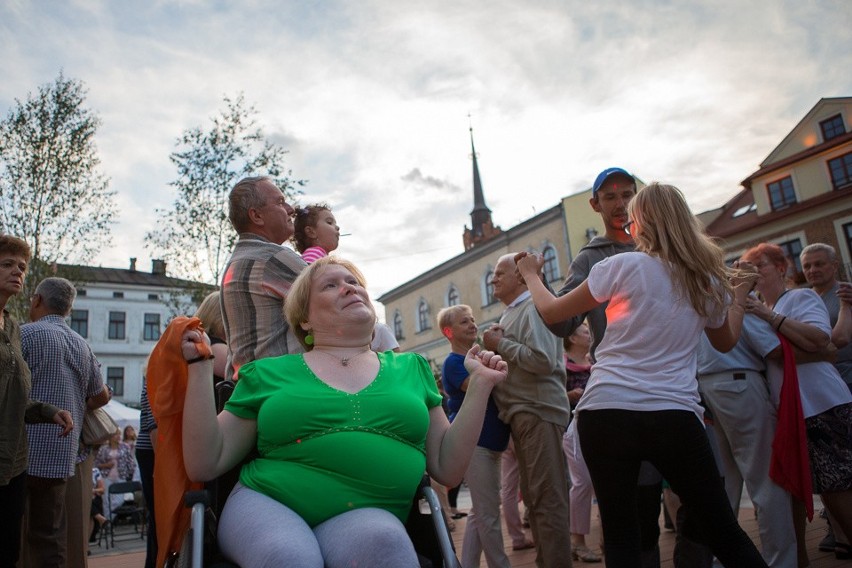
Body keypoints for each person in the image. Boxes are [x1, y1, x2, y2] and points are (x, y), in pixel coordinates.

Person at [181, 256, 508, 567]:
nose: (349, 288)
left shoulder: (412, 367)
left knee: (388, 548)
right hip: (269, 503)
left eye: (353, 281)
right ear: (304, 318)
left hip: (366, 511)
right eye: (331, 285)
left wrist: (480, 386)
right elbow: (207, 461)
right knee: (288, 557)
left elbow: (448, 469)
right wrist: (198, 368)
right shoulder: (268, 372)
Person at [516, 182, 767, 567]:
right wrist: (736, 297)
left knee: (621, 537)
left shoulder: (620, 265)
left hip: (606, 412)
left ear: (640, 224)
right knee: (723, 529)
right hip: (673, 414)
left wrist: (532, 274)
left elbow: (554, 313)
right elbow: (725, 341)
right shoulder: (707, 281)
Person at [544, 166, 669, 566]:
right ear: (595, 204)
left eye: (627, 194)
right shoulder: (593, 257)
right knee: (637, 508)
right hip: (625, 395)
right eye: (611, 196)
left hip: (678, 388)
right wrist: (538, 283)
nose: (621, 204)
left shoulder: (664, 247)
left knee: (704, 502)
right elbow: (563, 322)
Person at [741, 242, 852, 558]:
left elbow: (821, 340)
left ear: (781, 268)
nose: (753, 275)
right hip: (795, 410)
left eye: (759, 266)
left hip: (824, 402)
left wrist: (766, 314)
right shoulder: (753, 311)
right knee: (815, 487)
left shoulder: (800, 297)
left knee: (839, 485)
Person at [482, 253, 572, 568]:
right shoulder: (513, 313)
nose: (493, 279)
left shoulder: (534, 305)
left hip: (539, 411)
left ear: (521, 276)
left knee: (547, 500)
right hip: (525, 414)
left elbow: (543, 361)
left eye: (499, 273)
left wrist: (499, 345)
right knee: (535, 500)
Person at [696, 311, 798, 566]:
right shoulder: (733, 299)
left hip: (705, 387)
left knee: (725, 483)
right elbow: (772, 348)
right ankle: (781, 562)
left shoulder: (693, 295)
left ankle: (723, 560)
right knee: (765, 480)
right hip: (738, 382)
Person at [20, 276, 108, 568]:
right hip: (62, 454)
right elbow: (102, 395)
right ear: (68, 310)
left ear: (36, 300)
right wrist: (76, 402)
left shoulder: (24, 335)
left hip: (22, 452)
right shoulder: (82, 345)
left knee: (14, 535)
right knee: (50, 535)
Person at [0, 235, 74, 568]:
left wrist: (48, 411)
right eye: (6, 264)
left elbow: (13, 398)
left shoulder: (14, 329)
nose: (17, 271)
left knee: (10, 549)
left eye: (22, 266)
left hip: (15, 461)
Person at [438, 304, 511, 568]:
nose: (472, 324)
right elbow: (480, 384)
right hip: (475, 442)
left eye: (472, 319)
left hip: (492, 439)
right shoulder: (454, 363)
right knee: (488, 514)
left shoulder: (477, 359)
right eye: (463, 322)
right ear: (448, 331)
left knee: (480, 513)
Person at [220, 175, 307, 380]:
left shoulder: (240, 259)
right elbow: (342, 307)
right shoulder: (271, 258)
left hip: (247, 389)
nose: (290, 209)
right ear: (257, 216)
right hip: (279, 388)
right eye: (280, 202)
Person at [800, 243, 852, 556]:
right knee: (829, 467)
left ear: (834, 266)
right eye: (807, 266)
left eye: (819, 264)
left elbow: (839, 339)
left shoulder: (845, 295)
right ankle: (838, 530)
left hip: (847, 381)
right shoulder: (807, 299)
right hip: (825, 389)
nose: (813, 271)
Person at [562, 323, 603, 563]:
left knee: (603, 482)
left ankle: (607, 538)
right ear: (572, 337)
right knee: (583, 483)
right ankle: (578, 542)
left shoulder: (595, 361)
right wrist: (570, 395)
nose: (590, 333)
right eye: (585, 331)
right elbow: (555, 394)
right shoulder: (562, 364)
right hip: (573, 429)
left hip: (600, 425)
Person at [95, 429, 136, 518]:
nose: (118, 436)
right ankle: (108, 524)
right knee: (106, 501)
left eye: (119, 434)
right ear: (110, 436)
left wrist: (130, 474)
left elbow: (130, 462)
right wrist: (106, 465)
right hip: (106, 477)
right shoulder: (104, 449)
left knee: (119, 500)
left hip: (121, 476)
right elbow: (96, 464)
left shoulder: (125, 447)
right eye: (116, 434)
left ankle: (110, 518)